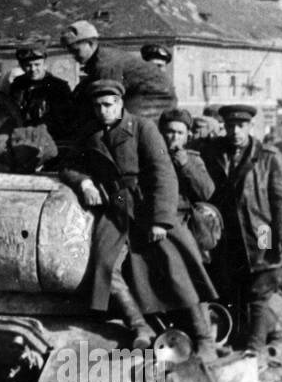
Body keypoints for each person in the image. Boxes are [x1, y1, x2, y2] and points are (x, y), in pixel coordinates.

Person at [62, 79, 218, 356]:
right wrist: (84, 182)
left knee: (176, 265)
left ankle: (204, 338)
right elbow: (70, 165)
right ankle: (139, 326)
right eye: (97, 106)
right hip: (116, 208)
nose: (103, 111)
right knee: (104, 263)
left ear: (120, 104)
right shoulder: (91, 134)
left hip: (147, 205)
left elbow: (163, 173)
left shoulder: (143, 128)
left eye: (108, 105)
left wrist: (161, 220)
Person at [201, 105, 282, 350]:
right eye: (231, 126)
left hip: (263, 229)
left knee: (263, 277)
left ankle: (255, 348)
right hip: (231, 233)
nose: (235, 131)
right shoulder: (214, 153)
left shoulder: (268, 156)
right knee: (235, 285)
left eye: (241, 126)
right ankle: (253, 335)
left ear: (250, 127)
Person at [62, 21, 175, 134]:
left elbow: (107, 99)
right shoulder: (99, 58)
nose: (74, 57)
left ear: (90, 44)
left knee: (120, 129)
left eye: (76, 51)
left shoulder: (105, 64)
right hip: (141, 96)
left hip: (155, 100)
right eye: (71, 52)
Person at [158, 108, 219, 257]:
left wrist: (186, 166)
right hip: (157, 221)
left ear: (187, 137)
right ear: (161, 134)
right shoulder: (151, 157)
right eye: (170, 132)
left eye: (180, 133)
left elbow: (207, 192)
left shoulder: (193, 160)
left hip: (183, 223)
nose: (174, 137)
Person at [8, 45, 73, 139]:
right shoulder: (17, 85)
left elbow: (64, 120)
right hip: (22, 136)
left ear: (44, 64)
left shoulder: (58, 87)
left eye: (37, 65)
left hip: (50, 138)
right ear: (22, 66)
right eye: (28, 65)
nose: (33, 69)